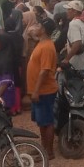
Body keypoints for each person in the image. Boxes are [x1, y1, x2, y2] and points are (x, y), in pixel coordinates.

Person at [27, 18, 58, 159]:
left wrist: (36, 91)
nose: (36, 26)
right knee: (41, 122)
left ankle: (48, 152)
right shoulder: (43, 42)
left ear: (44, 29)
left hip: (44, 91)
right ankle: (43, 147)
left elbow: (45, 71)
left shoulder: (46, 47)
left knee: (47, 121)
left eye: (38, 25)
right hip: (39, 90)